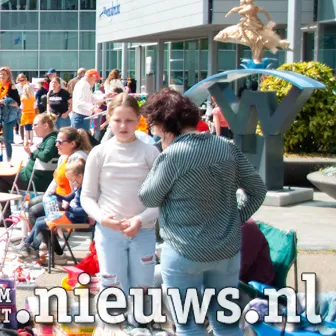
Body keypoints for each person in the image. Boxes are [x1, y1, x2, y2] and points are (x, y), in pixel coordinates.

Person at [139, 88, 266, 336]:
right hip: (226, 249)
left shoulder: (173, 155)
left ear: (165, 124)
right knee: (226, 322)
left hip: (184, 250)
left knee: (188, 324)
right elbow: (257, 190)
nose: (153, 131)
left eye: (154, 125)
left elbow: (148, 196)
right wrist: (234, 218)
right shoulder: (226, 147)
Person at [81, 94, 161, 329]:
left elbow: (159, 198)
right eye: (117, 120)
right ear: (108, 119)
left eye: (129, 120)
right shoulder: (99, 153)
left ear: (139, 120)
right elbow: (87, 196)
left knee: (142, 285)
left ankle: (139, 326)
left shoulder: (150, 153)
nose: (123, 126)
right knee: (112, 284)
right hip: (109, 233)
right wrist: (102, 219)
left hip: (143, 232)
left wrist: (140, 219)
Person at [0, 112, 59, 196]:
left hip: (34, 180)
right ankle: (5, 212)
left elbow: (46, 156)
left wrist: (34, 150)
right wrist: (31, 153)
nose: (33, 128)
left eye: (35, 125)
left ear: (45, 125)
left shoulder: (52, 139)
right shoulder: (49, 139)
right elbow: (43, 156)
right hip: (32, 177)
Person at [21, 157, 88, 260]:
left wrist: (68, 208)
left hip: (74, 218)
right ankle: (29, 245)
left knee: (40, 223)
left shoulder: (85, 191)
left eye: (72, 180)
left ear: (80, 176)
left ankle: (30, 246)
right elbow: (68, 197)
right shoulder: (79, 188)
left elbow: (83, 211)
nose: (72, 183)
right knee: (39, 220)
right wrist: (57, 195)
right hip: (69, 215)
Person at [0, 66, 20, 161]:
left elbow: (17, 103)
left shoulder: (12, 87)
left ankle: (8, 160)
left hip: (8, 116)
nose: (2, 76)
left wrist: (6, 101)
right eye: (0, 74)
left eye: (4, 74)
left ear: (8, 76)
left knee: (7, 140)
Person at [19, 77, 37, 145]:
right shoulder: (33, 98)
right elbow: (35, 106)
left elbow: (22, 106)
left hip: (25, 114)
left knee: (26, 129)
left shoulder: (23, 98)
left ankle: (26, 140)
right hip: (32, 114)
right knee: (31, 128)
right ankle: (31, 141)